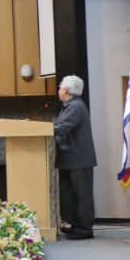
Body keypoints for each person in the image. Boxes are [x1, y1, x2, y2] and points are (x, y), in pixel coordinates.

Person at [54, 75, 97, 240]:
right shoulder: (69, 106)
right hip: (70, 159)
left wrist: (43, 128)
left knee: (82, 195)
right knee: (69, 196)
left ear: (66, 90)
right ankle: (74, 225)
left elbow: (62, 127)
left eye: (60, 87)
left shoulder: (76, 106)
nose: (59, 90)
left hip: (79, 159)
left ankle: (85, 229)